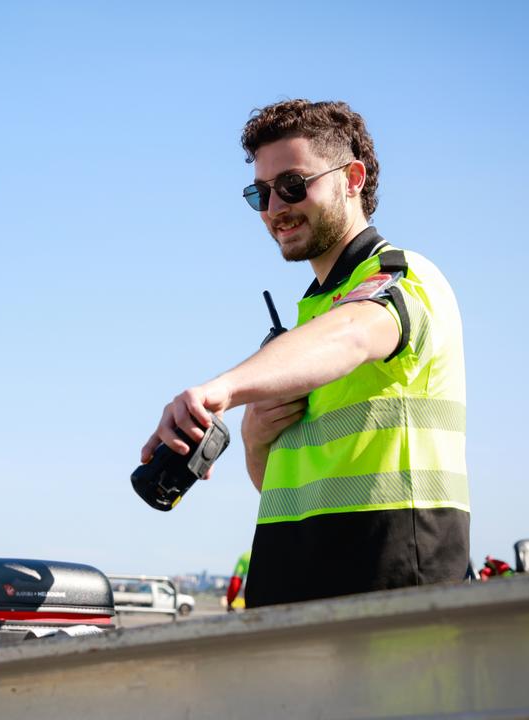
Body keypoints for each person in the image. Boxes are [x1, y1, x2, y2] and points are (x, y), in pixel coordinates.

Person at [140, 99, 469, 608]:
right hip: (295, 592)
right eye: (260, 194)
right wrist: (254, 439)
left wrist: (221, 390)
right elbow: (286, 493)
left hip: (392, 591)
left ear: (352, 178)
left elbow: (355, 333)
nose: (274, 209)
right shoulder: (309, 320)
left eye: (293, 185)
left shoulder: (402, 278)